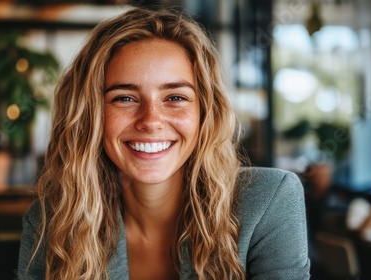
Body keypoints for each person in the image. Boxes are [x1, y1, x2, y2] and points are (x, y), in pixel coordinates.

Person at [18, 8, 310, 280]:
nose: (151, 120)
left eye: (175, 98)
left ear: (205, 112)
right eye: (125, 98)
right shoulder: (51, 224)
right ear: (90, 115)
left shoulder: (268, 201)